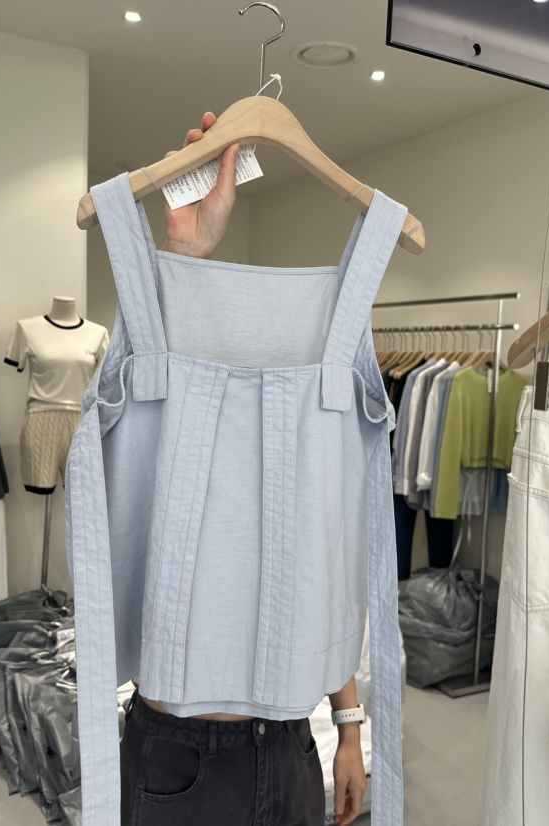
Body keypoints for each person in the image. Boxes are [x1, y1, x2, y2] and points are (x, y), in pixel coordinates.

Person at [120, 112, 367, 826]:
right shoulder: (158, 375)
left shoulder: (333, 378)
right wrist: (186, 254)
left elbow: (330, 556)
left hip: (290, 743)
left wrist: (348, 725)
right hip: (178, 751)